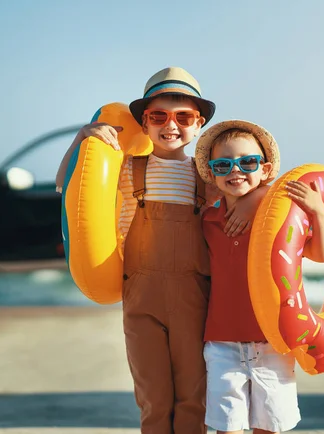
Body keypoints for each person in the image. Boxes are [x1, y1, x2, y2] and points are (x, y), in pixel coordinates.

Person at [56, 66, 230, 433]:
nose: (171, 125)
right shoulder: (124, 168)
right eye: (158, 116)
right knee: (153, 396)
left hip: (194, 296)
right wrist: (83, 138)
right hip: (141, 296)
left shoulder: (207, 177)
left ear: (198, 124)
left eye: (184, 117)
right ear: (144, 123)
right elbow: (64, 184)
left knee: (193, 395)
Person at [194, 120, 324, 434]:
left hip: (273, 343)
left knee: (269, 429)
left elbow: (320, 253)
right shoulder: (208, 221)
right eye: (223, 165)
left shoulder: (282, 219)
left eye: (247, 162)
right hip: (222, 343)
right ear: (213, 174)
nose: (235, 171)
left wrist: (318, 211)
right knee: (225, 428)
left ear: (265, 168)